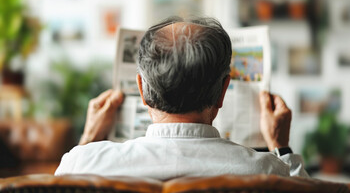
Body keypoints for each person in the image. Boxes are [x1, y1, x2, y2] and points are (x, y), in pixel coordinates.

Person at [55, 16, 308, 178]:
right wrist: (280, 146)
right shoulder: (266, 171)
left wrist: (89, 139)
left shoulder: (82, 165)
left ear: (141, 90)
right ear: (223, 92)